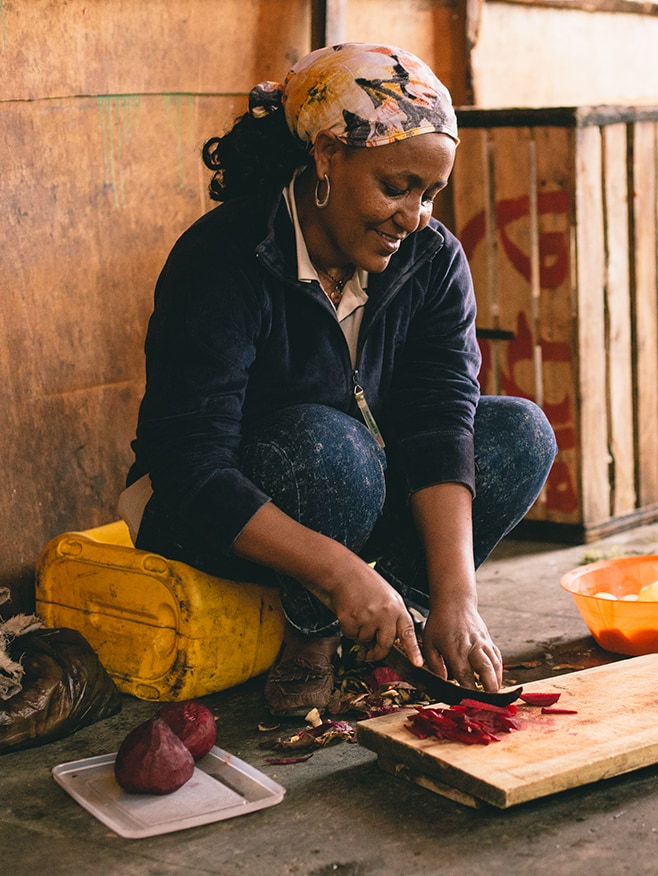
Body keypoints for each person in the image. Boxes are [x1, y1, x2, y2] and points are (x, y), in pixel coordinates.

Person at [120, 43, 557, 717]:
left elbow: (439, 419)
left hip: (355, 489)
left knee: (520, 433)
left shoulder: (431, 259)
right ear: (326, 157)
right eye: (396, 187)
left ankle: (394, 621)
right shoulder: (221, 260)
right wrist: (339, 572)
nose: (413, 217)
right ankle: (314, 637)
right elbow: (188, 464)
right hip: (211, 517)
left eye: (430, 194)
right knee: (334, 447)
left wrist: (456, 597)